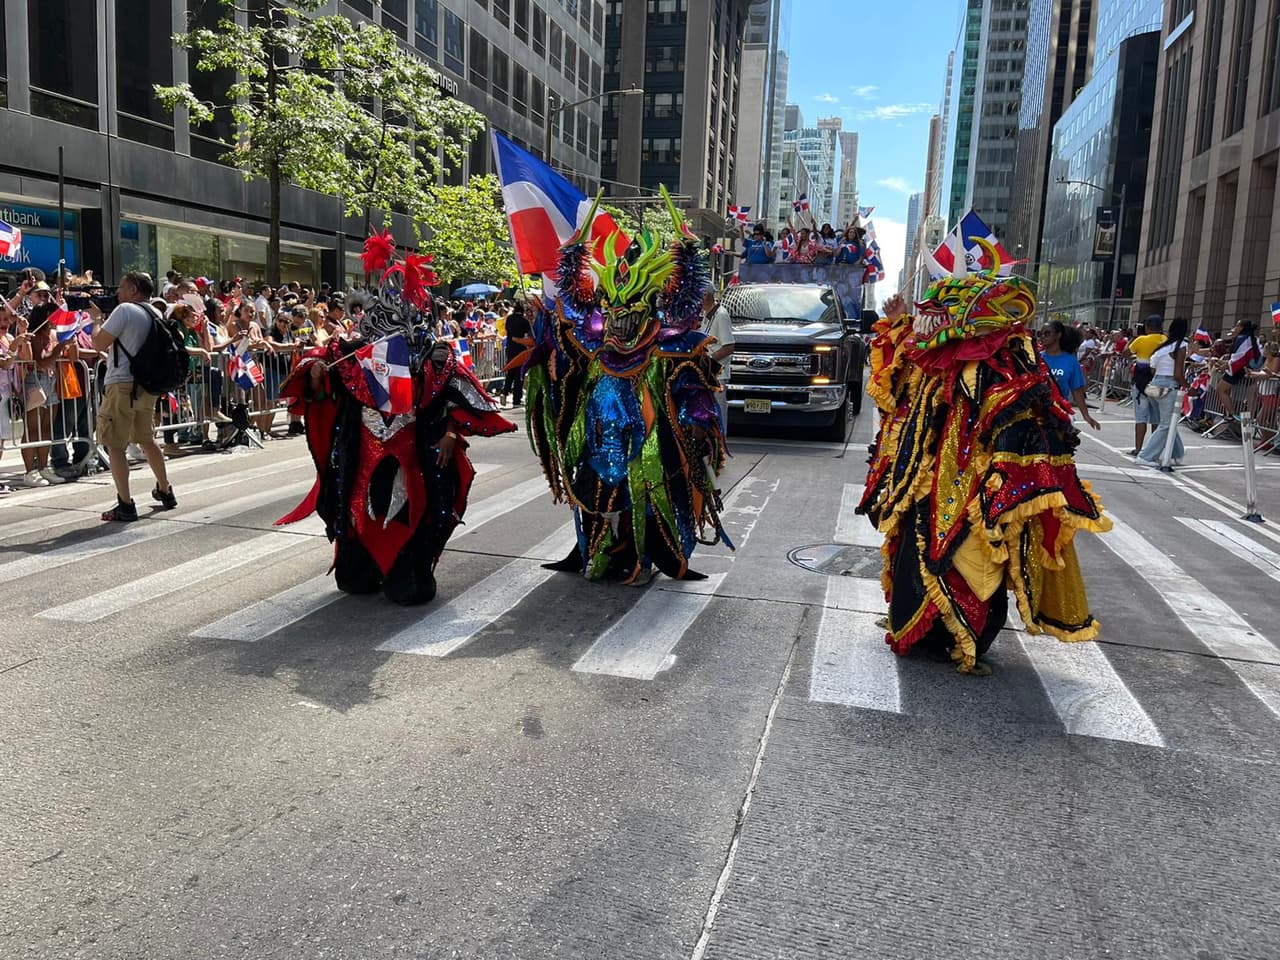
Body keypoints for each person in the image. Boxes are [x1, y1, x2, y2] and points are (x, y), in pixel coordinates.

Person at [860, 246, 1110, 675]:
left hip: (975, 487)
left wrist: (1002, 475)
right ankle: (918, 627)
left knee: (970, 560)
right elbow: (900, 385)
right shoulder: (934, 358)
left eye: (945, 305)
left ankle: (960, 638)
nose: (932, 313)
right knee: (918, 554)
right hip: (926, 478)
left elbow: (1029, 422)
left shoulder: (1006, 363)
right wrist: (900, 322)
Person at [278, 233, 516, 605]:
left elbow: (459, 398)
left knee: (410, 576)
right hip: (361, 457)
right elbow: (317, 370)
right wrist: (316, 371)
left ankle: (410, 565)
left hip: (413, 457)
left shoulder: (435, 357)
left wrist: (452, 434)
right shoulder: (353, 355)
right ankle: (364, 561)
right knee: (355, 573)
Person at [91, 271, 176, 521]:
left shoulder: (125, 310)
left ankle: (125, 504)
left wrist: (96, 319)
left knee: (114, 444)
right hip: (145, 385)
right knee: (146, 439)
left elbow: (98, 343)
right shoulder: (155, 313)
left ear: (134, 290)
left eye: (122, 287)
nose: (118, 292)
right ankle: (165, 489)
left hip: (121, 384)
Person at [1136, 317, 1190, 468]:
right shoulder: (1181, 345)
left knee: (1167, 422)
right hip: (1169, 385)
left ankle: (1177, 454)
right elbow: (1178, 373)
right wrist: (1188, 387)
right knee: (1167, 423)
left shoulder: (1163, 346)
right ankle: (1146, 456)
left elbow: (1153, 369)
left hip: (1155, 384)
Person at [1042, 321, 1101, 430]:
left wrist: (1086, 416)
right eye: (1041, 334)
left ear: (1058, 335)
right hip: (1036, 415)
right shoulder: (1035, 359)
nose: (1043, 337)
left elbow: (1077, 391)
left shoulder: (1071, 361)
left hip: (1058, 413)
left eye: (1047, 333)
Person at [1126, 314, 1166, 455]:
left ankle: (1138, 449)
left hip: (1140, 384)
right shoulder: (1165, 340)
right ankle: (1154, 450)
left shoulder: (1141, 340)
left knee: (1141, 418)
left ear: (1147, 327)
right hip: (1157, 383)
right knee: (1156, 419)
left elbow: (1125, 353)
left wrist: (1135, 336)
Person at [701, 289, 736, 433]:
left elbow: (729, 346)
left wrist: (709, 360)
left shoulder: (721, 315)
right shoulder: (707, 315)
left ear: (706, 295)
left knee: (719, 410)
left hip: (717, 375)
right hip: (708, 373)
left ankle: (721, 442)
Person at [1215, 319, 1262, 420]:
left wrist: (1227, 365)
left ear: (1241, 328)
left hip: (1238, 369)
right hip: (1244, 370)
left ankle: (1233, 415)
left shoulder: (1242, 339)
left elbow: (1239, 358)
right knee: (1229, 392)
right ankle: (1231, 414)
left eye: (1237, 326)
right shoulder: (1251, 338)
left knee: (1221, 388)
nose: (1235, 328)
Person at [501, 299, 534, 407]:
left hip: (510, 348)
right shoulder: (524, 321)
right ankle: (516, 399)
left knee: (510, 372)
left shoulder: (509, 318)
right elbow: (527, 335)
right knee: (519, 374)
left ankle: (504, 392)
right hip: (520, 349)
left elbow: (507, 331)